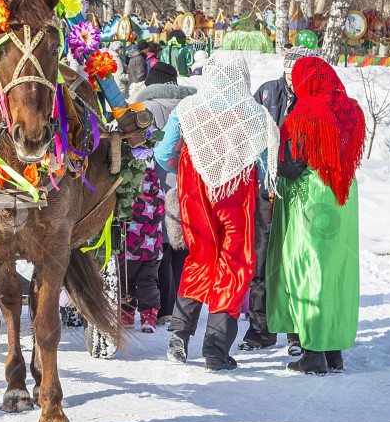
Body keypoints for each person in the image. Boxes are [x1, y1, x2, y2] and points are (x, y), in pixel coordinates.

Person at [155, 52, 279, 371]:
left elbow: (164, 152)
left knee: (200, 256)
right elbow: (266, 165)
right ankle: (216, 348)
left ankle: (180, 333)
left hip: (195, 188)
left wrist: (181, 163)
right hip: (236, 192)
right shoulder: (256, 114)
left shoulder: (188, 108)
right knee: (234, 263)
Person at [266, 57, 365, 375]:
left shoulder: (308, 111)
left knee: (306, 268)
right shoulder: (351, 110)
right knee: (335, 271)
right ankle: (332, 350)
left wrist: (280, 166)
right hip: (344, 195)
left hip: (312, 195)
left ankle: (312, 354)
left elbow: (293, 154)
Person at [241, 44, 318, 352]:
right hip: (264, 190)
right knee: (260, 263)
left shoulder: (311, 102)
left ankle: (296, 333)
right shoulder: (266, 92)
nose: (291, 74)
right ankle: (260, 331)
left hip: (296, 190)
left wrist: (288, 166)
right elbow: (247, 129)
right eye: (288, 67)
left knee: (291, 263)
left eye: (298, 69)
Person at [134, 61, 195, 323]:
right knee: (181, 248)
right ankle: (179, 309)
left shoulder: (141, 108)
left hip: (152, 189)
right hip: (189, 185)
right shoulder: (193, 107)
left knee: (158, 249)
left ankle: (160, 308)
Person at [119, 166, 165, 332]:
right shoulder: (159, 193)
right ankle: (149, 318)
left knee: (126, 281)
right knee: (149, 281)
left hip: (130, 249)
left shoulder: (129, 194)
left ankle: (127, 316)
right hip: (153, 249)